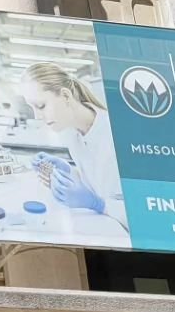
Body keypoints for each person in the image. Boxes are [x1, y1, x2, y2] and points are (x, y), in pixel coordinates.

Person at [19, 62, 128, 230]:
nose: (37, 116)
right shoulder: (71, 133)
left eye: (41, 106)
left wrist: (98, 204)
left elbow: (149, 214)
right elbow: (97, 181)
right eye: (32, 107)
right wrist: (67, 172)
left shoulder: (117, 135)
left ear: (66, 96)